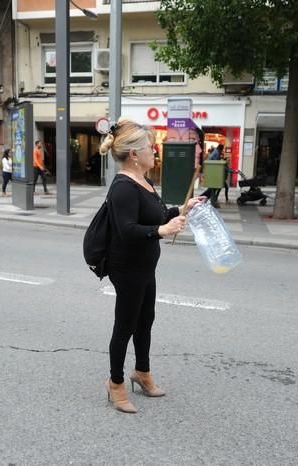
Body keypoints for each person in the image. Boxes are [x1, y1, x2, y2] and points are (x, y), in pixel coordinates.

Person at [100, 118, 204, 414]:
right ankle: (116, 382)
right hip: (128, 267)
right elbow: (127, 229)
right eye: (149, 147)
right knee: (125, 326)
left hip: (145, 266)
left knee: (146, 321)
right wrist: (162, 230)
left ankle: (142, 373)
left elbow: (154, 215)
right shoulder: (122, 187)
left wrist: (182, 209)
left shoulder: (144, 182)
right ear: (133, 154)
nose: (154, 150)